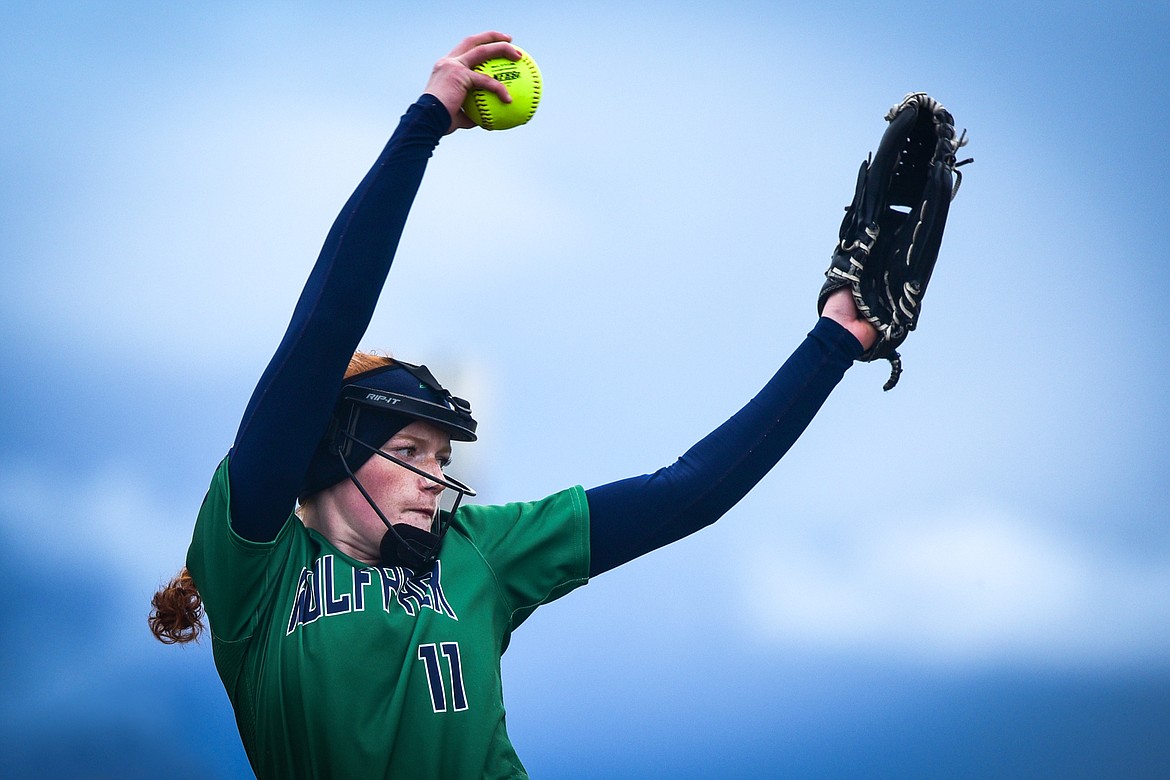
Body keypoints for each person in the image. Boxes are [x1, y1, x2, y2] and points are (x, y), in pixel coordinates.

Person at [149, 31, 877, 779]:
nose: (436, 478)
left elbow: (688, 492)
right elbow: (326, 325)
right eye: (408, 453)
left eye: (441, 457)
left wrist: (833, 342)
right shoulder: (259, 569)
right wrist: (425, 123)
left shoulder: (476, 552)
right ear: (335, 452)